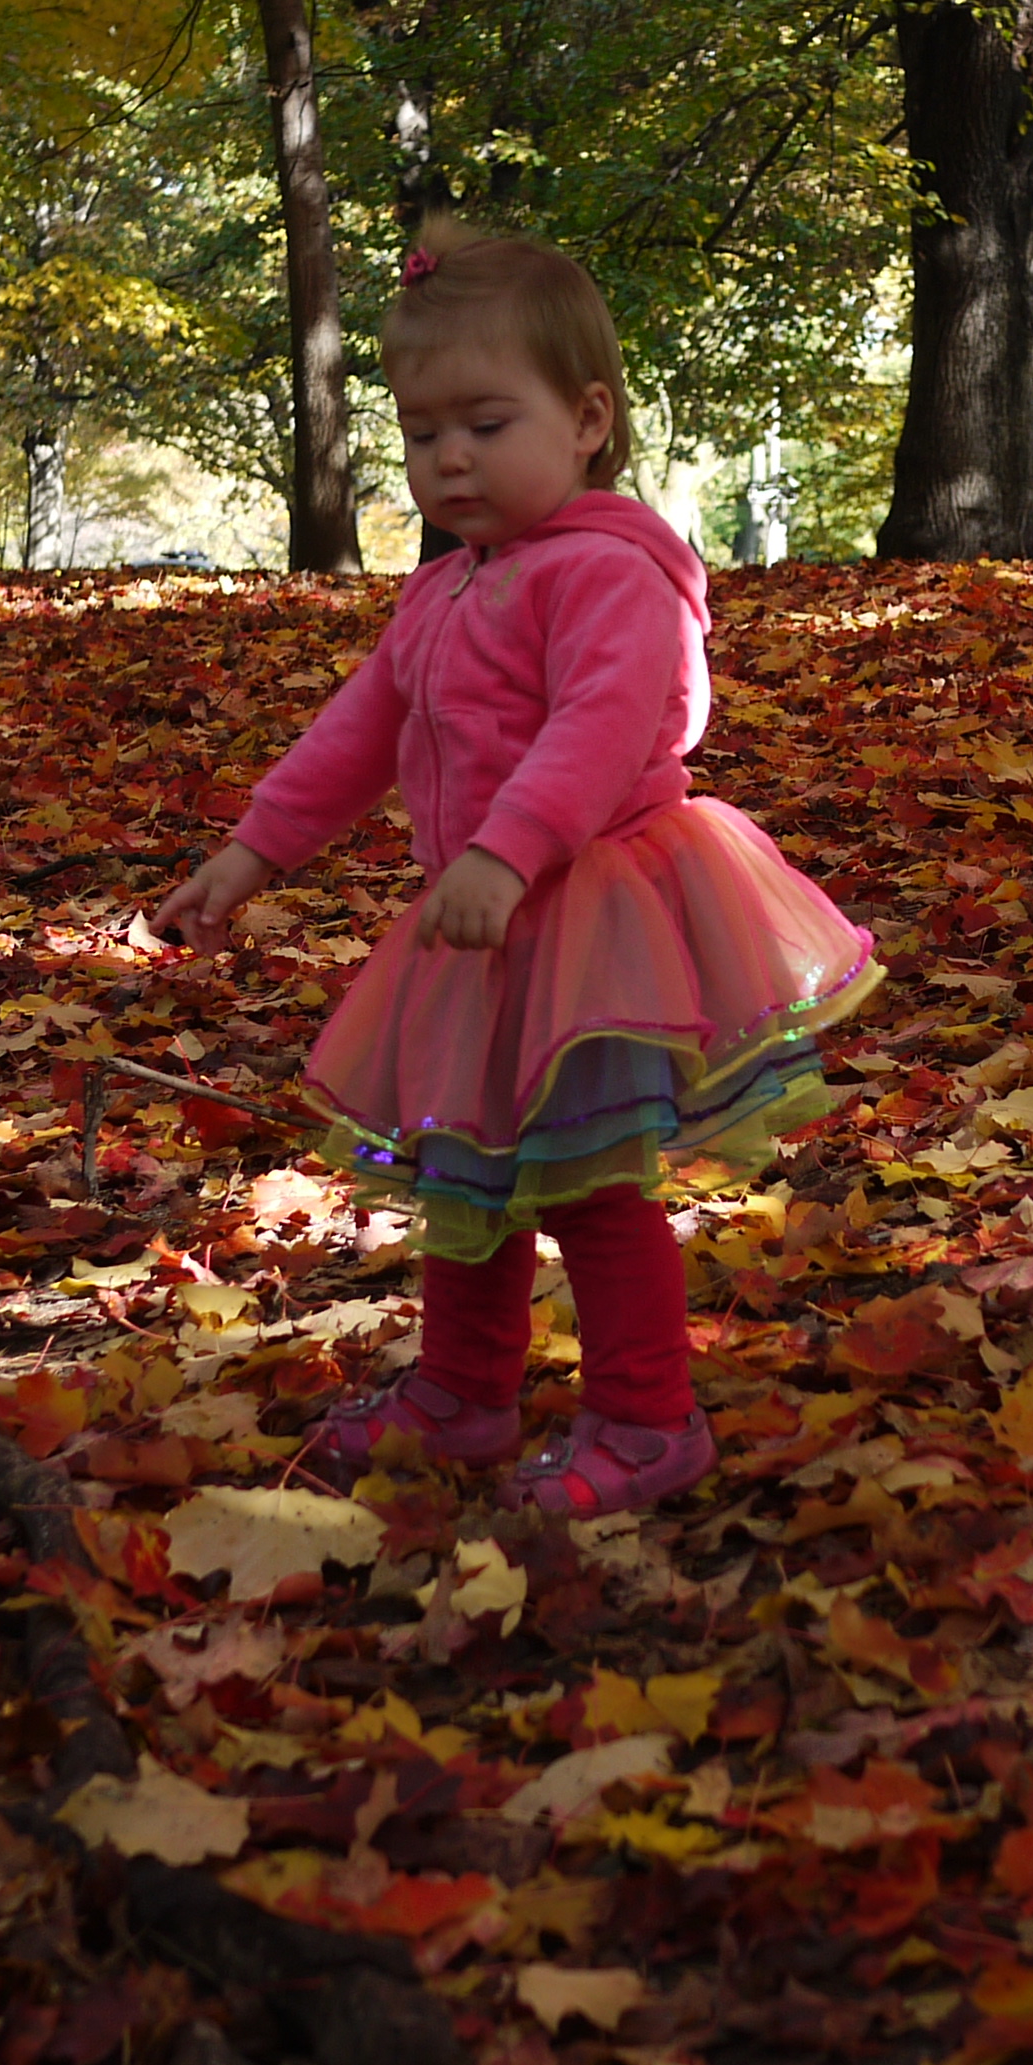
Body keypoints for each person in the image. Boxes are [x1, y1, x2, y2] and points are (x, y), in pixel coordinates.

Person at [153, 218, 879, 1518]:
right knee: (465, 1170)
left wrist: (504, 850)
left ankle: (648, 1417)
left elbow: (600, 727)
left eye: (487, 425)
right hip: (481, 923)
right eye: (422, 432)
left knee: (591, 1183)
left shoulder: (610, 573)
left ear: (587, 419)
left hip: (588, 915)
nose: (450, 458)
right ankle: (465, 1391)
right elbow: (361, 732)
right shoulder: (442, 591)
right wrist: (251, 852)